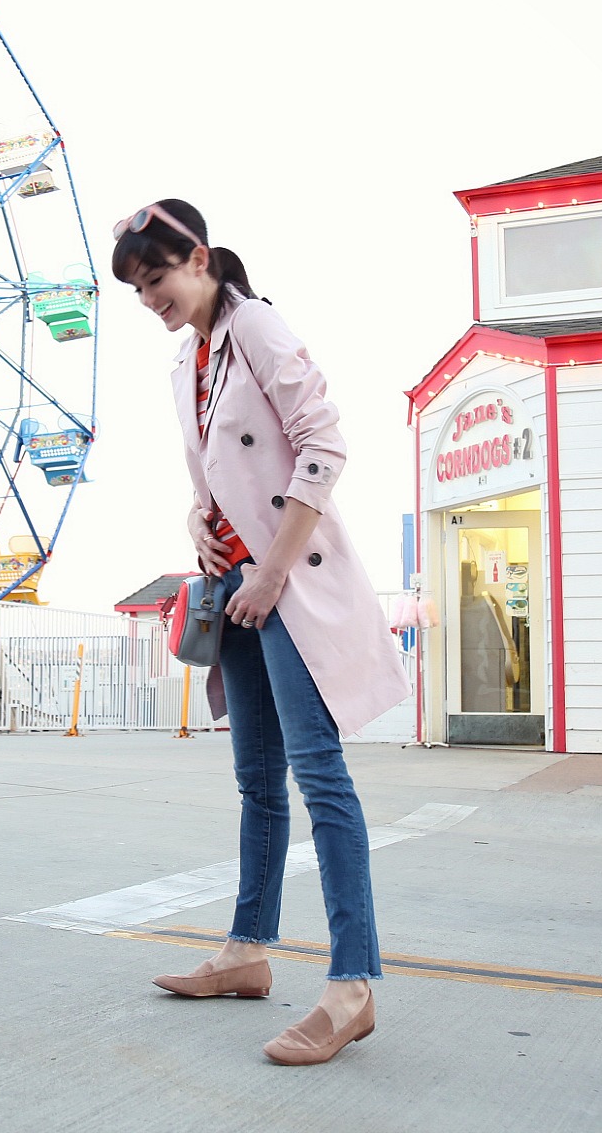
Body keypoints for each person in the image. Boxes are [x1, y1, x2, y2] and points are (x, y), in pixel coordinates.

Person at [112, 199, 411, 1066]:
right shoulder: (186, 360)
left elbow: (323, 443)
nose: (148, 298)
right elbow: (215, 468)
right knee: (257, 781)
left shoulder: (260, 327)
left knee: (321, 776)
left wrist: (275, 569)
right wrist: (196, 522)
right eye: (137, 286)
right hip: (232, 587)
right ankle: (246, 953)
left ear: (199, 258)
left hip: (287, 583)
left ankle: (352, 987)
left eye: (156, 278)